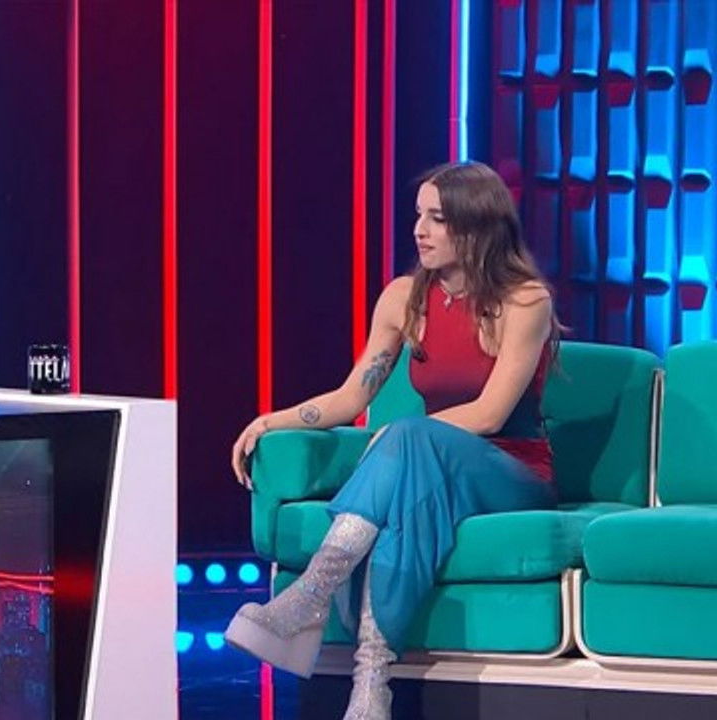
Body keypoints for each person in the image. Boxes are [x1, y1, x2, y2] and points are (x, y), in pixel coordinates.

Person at [224, 162, 560, 720]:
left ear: (476, 225)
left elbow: (490, 414)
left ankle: (311, 596)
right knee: (406, 509)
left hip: (511, 472)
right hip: (429, 469)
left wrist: (404, 436)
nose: (418, 231)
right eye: (418, 216)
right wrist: (270, 421)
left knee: (407, 440)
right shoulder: (404, 298)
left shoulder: (525, 301)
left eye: (437, 218)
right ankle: (371, 682)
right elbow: (351, 397)